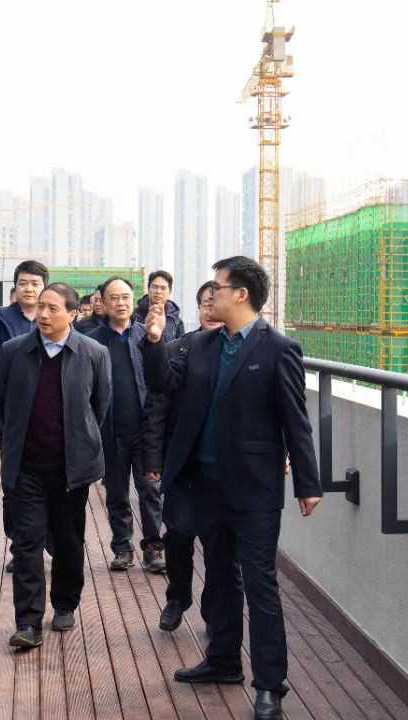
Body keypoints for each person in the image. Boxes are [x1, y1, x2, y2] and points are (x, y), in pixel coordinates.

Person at [142, 256, 322, 720]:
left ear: (241, 294)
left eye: (218, 287)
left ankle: (270, 685)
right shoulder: (200, 344)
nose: (211, 295)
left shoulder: (279, 349)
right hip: (205, 485)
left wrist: (307, 482)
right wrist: (154, 341)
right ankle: (223, 661)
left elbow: (295, 421)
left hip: (254, 489)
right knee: (220, 577)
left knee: (260, 585)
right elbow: (163, 382)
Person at [0, 282, 111, 649]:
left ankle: (64, 603)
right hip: (26, 466)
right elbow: (2, 404)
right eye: (41, 306)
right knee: (26, 544)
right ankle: (28, 622)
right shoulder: (14, 351)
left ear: (72, 314)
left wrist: (77, 442)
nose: (43, 314)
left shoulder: (94, 353)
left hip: (71, 470)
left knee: (68, 541)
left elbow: (99, 408)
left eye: (53, 308)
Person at [140, 280, 223, 630]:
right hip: (182, 466)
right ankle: (177, 597)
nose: (212, 310)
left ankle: (214, 609)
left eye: (217, 303)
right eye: (205, 304)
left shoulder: (241, 353)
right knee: (177, 535)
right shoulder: (177, 349)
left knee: (219, 546)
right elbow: (155, 409)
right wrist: (152, 460)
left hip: (222, 470)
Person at [0, 259, 49, 572]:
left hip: (51, 417)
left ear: (44, 287)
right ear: (15, 287)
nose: (29, 289)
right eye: (23, 283)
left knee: (52, 481)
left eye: (35, 283)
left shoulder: (53, 317)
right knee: (14, 482)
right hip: (11, 417)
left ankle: (47, 540)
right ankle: (21, 546)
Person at [85, 276, 164, 573]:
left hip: (146, 432)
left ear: (134, 301)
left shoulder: (149, 335)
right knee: (116, 493)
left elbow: (162, 381)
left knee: (150, 491)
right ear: (103, 304)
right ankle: (122, 545)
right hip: (110, 431)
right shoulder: (92, 341)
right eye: (114, 298)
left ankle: (154, 546)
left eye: (126, 297)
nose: (121, 303)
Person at [134, 270, 185, 343]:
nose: (158, 291)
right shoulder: (134, 316)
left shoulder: (176, 321)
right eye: (154, 287)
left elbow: (181, 346)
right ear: (148, 289)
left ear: (170, 291)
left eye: (163, 288)